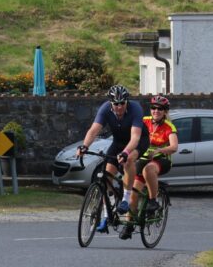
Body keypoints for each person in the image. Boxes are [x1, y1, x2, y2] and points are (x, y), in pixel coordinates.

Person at [76, 85, 149, 232]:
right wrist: (84, 146)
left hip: (139, 142)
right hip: (118, 142)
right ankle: (105, 216)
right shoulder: (105, 109)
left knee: (129, 160)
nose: (120, 106)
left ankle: (126, 200)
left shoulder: (135, 109)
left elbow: (135, 137)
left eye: (123, 103)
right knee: (107, 177)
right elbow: (94, 130)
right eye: (116, 104)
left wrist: (126, 153)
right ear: (111, 103)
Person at [121, 94, 178, 240]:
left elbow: (174, 147)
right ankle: (129, 225)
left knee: (149, 170)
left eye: (160, 109)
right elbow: (132, 133)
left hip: (161, 160)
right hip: (142, 158)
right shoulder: (144, 121)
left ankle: (153, 202)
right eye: (153, 108)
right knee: (133, 192)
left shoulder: (168, 126)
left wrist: (159, 151)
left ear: (165, 111)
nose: (156, 111)